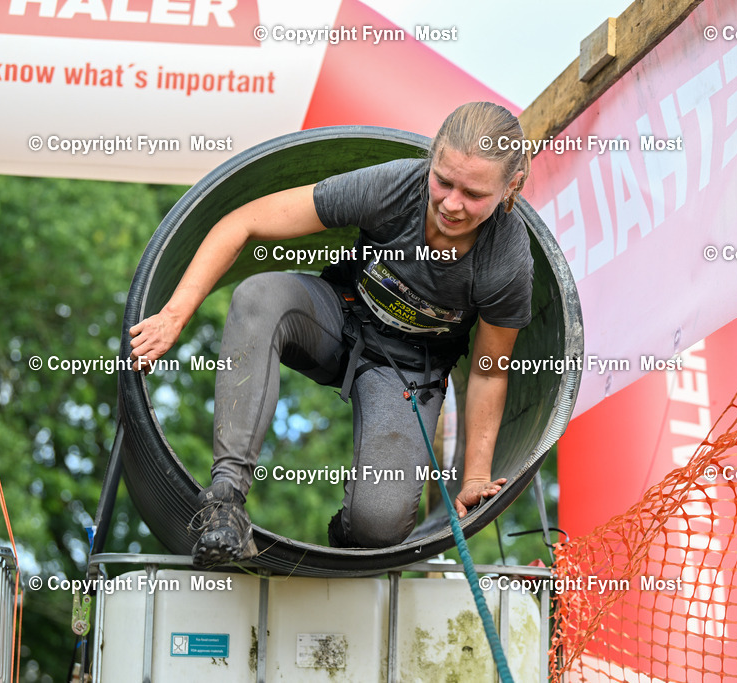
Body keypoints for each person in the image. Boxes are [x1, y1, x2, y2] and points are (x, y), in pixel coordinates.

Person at [128, 102, 534, 567]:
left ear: (510, 188)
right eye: (443, 180)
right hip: (339, 318)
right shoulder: (395, 187)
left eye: (474, 193)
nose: (451, 203)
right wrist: (173, 315)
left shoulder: (506, 260)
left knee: (379, 526)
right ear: (431, 160)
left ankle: (348, 536)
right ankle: (224, 504)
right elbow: (242, 222)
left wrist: (476, 475)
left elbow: (489, 373)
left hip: (407, 370)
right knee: (259, 295)